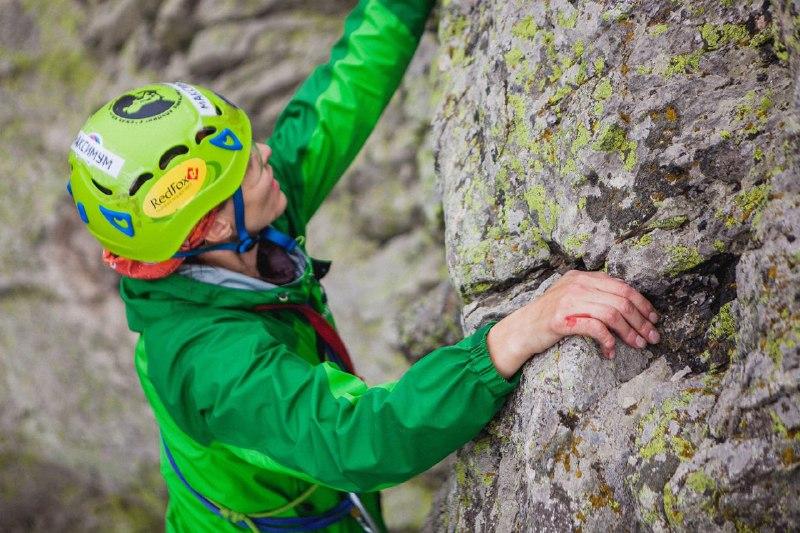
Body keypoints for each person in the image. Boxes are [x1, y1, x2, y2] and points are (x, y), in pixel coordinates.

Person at [66, 0, 661, 531]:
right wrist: (518, 333)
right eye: (246, 164)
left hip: (308, 497)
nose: (266, 153)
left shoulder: (241, 224)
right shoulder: (214, 367)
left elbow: (336, 105)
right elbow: (358, 439)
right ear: (215, 224)